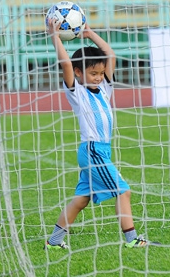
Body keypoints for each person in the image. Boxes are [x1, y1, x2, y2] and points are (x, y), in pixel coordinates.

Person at [44, 18, 158, 250]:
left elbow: (110, 55)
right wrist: (55, 36)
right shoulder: (76, 92)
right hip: (93, 149)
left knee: (81, 199)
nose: (98, 77)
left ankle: (54, 242)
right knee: (123, 191)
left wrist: (90, 33)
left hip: (100, 150)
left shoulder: (104, 88)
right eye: (93, 73)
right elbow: (66, 64)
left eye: (100, 73)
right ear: (78, 72)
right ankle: (132, 239)